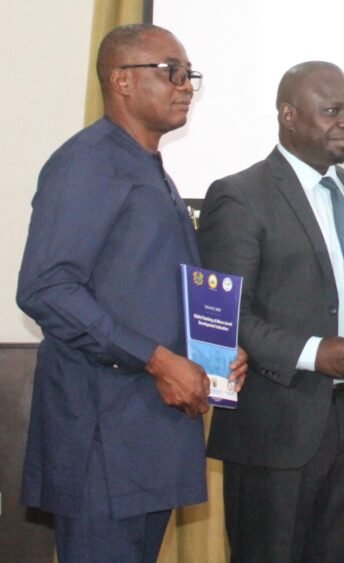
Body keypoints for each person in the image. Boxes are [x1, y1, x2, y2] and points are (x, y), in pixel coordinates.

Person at [16, 23, 247, 562]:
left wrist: (212, 355)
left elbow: (143, 290)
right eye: (172, 71)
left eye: (190, 74)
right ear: (121, 80)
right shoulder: (88, 162)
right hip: (102, 440)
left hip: (149, 436)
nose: (186, 84)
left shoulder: (151, 169)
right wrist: (158, 360)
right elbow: (46, 287)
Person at [197, 61, 344, 562]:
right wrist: (313, 353)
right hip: (275, 426)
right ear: (288, 115)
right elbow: (227, 316)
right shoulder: (240, 195)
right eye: (332, 111)